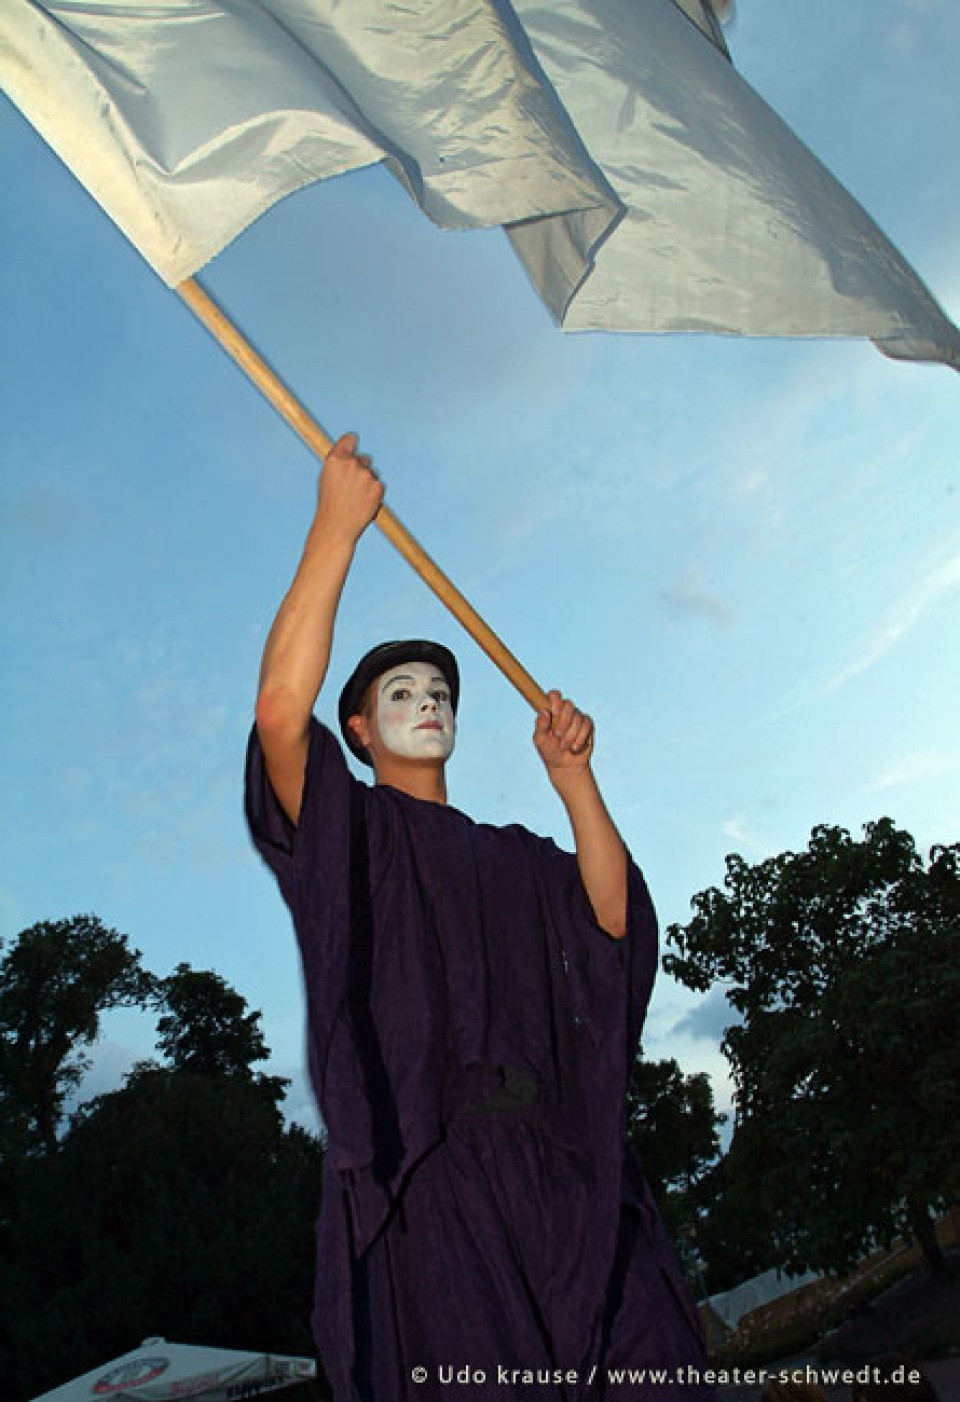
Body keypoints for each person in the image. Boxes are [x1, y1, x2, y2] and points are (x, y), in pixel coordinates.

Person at [245, 433, 715, 1401]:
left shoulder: (513, 855)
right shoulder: (352, 832)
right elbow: (281, 715)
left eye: (442, 692)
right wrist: (335, 531)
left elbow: (612, 920)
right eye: (403, 693)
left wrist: (576, 781)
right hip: (437, 1185)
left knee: (661, 1367)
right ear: (363, 729)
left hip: (566, 1173)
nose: (431, 703)